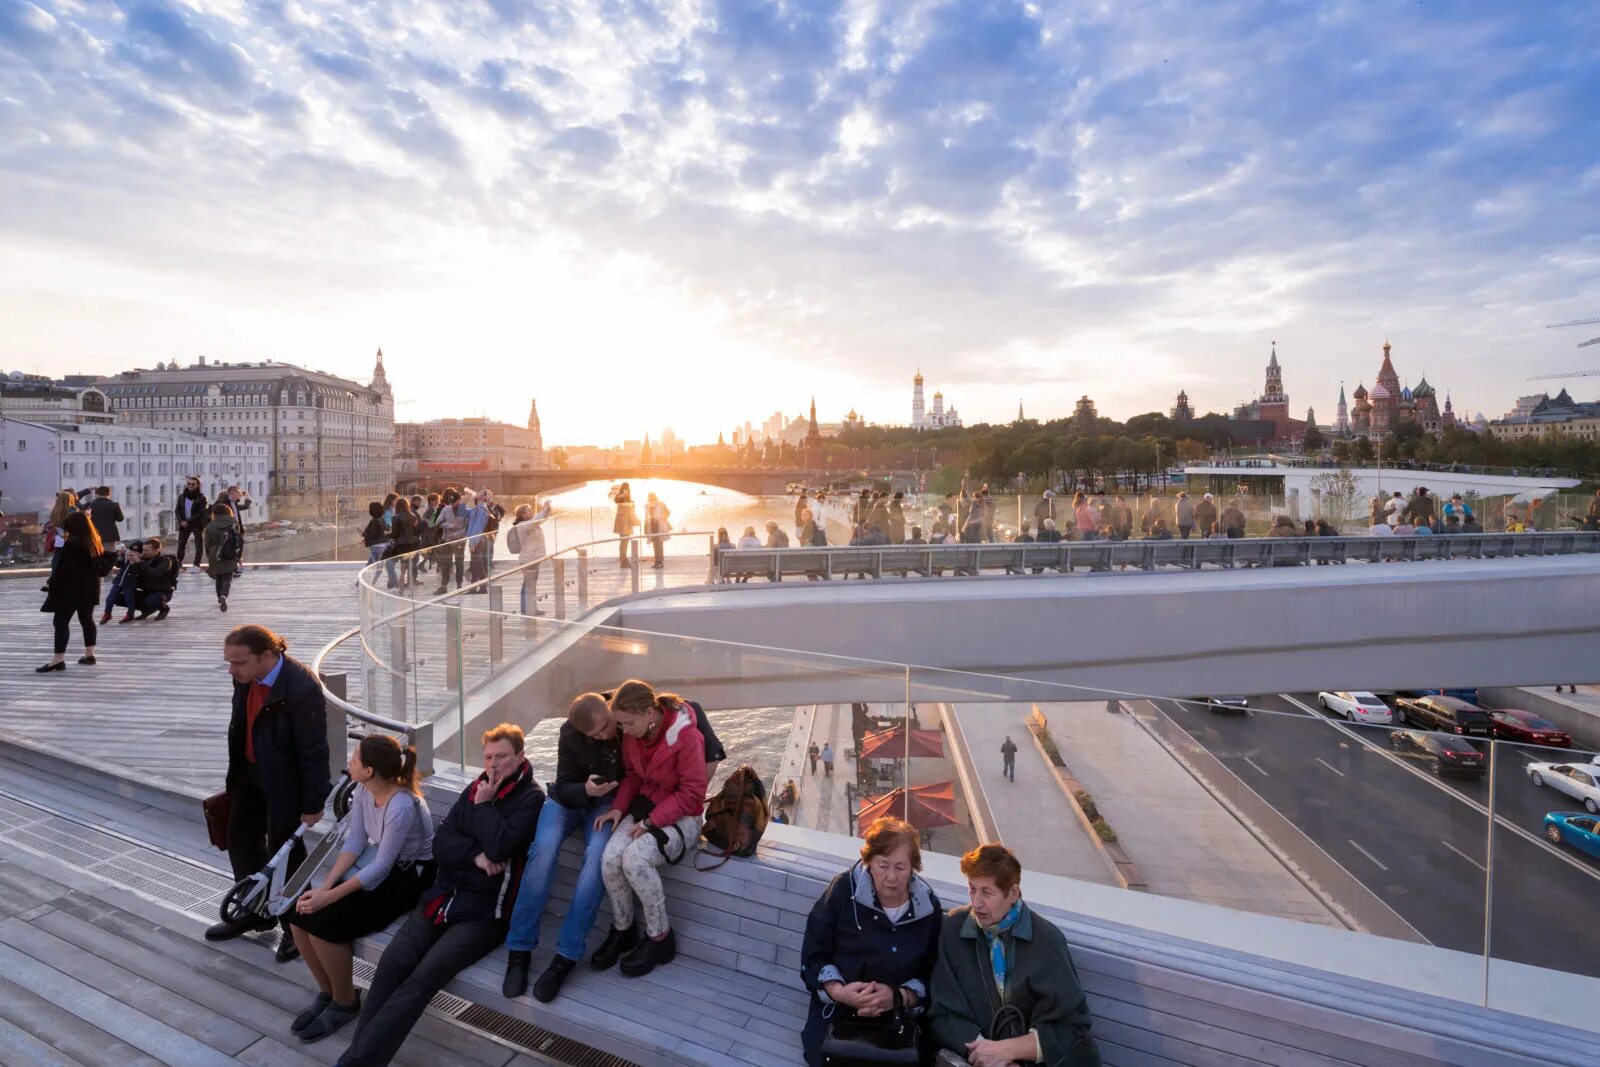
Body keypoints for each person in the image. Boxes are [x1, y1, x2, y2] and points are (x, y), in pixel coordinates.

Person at [337, 724, 542, 1067]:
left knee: (422, 979)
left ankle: (355, 1062)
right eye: (489, 757)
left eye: (502, 757)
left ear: (520, 757)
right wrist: (475, 857)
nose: (493, 765)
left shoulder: (531, 798)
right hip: (442, 897)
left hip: (484, 915)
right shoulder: (476, 787)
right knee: (391, 964)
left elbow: (501, 847)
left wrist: (485, 809)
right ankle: (361, 1058)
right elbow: (443, 846)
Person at [285, 735, 435, 1043]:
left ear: (369, 770)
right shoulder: (366, 791)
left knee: (323, 928)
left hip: (408, 878)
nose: (349, 763)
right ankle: (328, 991)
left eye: (355, 760)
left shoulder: (402, 806)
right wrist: (324, 888)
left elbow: (382, 866)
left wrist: (330, 897)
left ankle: (345, 1002)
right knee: (298, 916)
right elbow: (355, 843)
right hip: (380, 866)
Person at [208, 625, 331, 965]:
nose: (232, 671)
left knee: (287, 854)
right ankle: (255, 911)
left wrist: (312, 803)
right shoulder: (246, 678)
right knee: (241, 841)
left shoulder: (301, 686)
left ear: (267, 655)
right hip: (248, 773)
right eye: (229, 663)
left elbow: (314, 750)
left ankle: (297, 929)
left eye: (239, 663)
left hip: (283, 781)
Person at [928, 844, 1101, 1067]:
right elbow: (942, 1011)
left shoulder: (1047, 940)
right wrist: (989, 1057)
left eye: (987, 892)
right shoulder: (953, 929)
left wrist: (1006, 1051)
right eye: (972, 889)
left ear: (1012, 893)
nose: (976, 902)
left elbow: (1072, 1028)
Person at [502, 694, 620, 1002]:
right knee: (542, 852)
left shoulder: (622, 721)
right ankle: (519, 948)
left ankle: (566, 955)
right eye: (597, 734)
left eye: (607, 726)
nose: (606, 734)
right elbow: (564, 782)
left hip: (608, 805)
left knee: (596, 860)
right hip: (568, 799)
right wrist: (585, 789)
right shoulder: (569, 732)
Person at [799, 818, 943, 1067]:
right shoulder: (843, 891)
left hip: (900, 1020)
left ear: (913, 867)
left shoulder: (927, 908)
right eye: (883, 865)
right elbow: (813, 956)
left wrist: (899, 997)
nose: (891, 877)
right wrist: (839, 991)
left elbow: (936, 976)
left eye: (900, 867)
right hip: (839, 1011)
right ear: (869, 863)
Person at [591, 681, 708, 979]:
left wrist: (650, 822)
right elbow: (631, 775)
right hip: (648, 807)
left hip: (684, 816)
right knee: (609, 860)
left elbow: (693, 793)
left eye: (628, 723)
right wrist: (619, 806)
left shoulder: (687, 737)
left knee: (635, 860)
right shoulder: (634, 735)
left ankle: (660, 938)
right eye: (621, 724)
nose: (624, 730)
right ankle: (624, 929)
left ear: (648, 712)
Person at [36, 510, 103, 672]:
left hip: (71, 589)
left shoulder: (72, 543)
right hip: (90, 587)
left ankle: (58, 659)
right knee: (86, 619)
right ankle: (89, 654)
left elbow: (63, 569)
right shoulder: (95, 541)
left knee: (60, 622)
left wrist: (50, 583)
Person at [508, 499, 552, 614]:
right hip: (528, 559)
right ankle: (529, 609)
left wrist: (547, 510)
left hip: (533, 558)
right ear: (522, 515)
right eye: (529, 511)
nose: (531, 513)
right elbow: (536, 520)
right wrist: (544, 509)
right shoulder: (523, 525)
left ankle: (526, 608)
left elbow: (540, 520)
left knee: (529, 583)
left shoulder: (530, 523)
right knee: (529, 584)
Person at [119, 537, 177, 621]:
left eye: (146, 550)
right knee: (118, 597)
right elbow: (126, 570)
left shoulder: (165, 560)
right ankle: (147, 610)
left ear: (156, 550)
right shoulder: (142, 559)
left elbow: (155, 573)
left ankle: (164, 609)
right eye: (143, 550)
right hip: (146, 592)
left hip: (162, 592)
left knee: (150, 601)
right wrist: (124, 558)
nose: (143, 552)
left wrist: (140, 562)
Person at [204, 502, 242, 611]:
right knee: (228, 577)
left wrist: (209, 555)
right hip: (230, 553)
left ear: (214, 513)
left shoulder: (210, 526)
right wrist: (238, 555)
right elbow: (237, 539)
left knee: (219, 577)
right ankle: (224, 595)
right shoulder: (234, 523)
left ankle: (219, 598)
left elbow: (207, 543)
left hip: (215, 553)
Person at [100, 538, 142, 624]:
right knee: (109, 599)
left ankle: (130, 614)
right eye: (130, 552)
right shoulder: (125, 560)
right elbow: (117, 564)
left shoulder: (140, 563)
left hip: (130, 584)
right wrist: (121, 556)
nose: (131, 554)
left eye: (134, 553)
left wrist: (135, 562)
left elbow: (138, 572)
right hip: (118, 582)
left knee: (129, 599)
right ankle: (107, 614)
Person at [435, 488, 468, 593]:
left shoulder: (465, 510)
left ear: (460, 500)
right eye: (452, 502)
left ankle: (459, 585)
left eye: (455, 502)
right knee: (446, 564)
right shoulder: (446, 509)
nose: (453, 505)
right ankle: (443, 586)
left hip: (460, 541)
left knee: (459, 563)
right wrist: (449, 525)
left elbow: (468, 527)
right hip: (447, 540)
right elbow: (438, 523)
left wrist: (457, 534)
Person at [174, 477, 209, 569]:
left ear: (197, 485)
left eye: (193, 484)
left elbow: (201, 512)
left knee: (198, 545)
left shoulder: (202, 498)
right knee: (181, 544)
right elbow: (177, 511)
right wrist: (181, 521)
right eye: (189, 484)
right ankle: (178, 562)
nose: (190, 486)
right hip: (184, 525)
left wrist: (188, 521)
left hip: (196, 525)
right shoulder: (182, 497)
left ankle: (197, 564)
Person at [387, 497, 420, 593]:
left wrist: (389, 535)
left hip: (400, 545)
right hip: (411, 545)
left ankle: (399, 588)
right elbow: (416, 531)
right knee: (407, 567)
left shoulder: (395, 517)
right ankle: (407, 589)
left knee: (397, 567)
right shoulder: (413, 516)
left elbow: (394, 534)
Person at [613, 482, 639, 566]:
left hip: (627, 523)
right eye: (625, 489)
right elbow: (616, 500)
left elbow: (632, 512)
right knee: (624, 541)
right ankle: (623, 560)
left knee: (625, 541)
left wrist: (636, 520)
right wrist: (623, 495)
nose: (627, 491)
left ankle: (623, 559)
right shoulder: (619, 498)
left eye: (627, 489)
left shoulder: (630, 500)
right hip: (623, 524)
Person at [645, 492, 671, 569]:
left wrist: (663, 518)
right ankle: (657, 562)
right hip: (652, 527)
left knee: (659, 545)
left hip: (659, 527)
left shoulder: (661, 504)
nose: (649, 498)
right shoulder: (648, 505)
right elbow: (646, 518)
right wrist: (646, 528)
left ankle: (660, 562)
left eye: (650, 496)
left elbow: (668, 512)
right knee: (655, 545)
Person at [361, 501, 388, 567]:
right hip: (383, 544)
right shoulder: (382, 520)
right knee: (370, 563)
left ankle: (374, 577)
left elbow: (373, 535)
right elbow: (383, 531)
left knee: (377, 566)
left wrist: (363, 533)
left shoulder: (374, 521)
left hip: (376, 546)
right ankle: (362, 575)